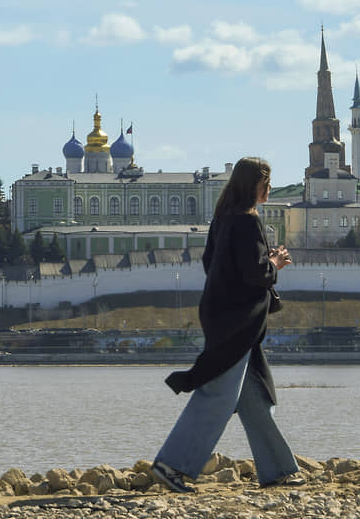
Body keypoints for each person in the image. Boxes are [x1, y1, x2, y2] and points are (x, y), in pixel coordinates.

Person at [151, 156, 304, 493]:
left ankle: (278, 468)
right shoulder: (247, 222)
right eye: (267, 185)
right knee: (218, 394)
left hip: (225, 315)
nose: (269, 190)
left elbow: (211, 262)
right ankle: (173, 464)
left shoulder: (223, 218)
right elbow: (255, 272)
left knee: (254, 396)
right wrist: (275, 263)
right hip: (238, 320)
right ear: (256, 186)